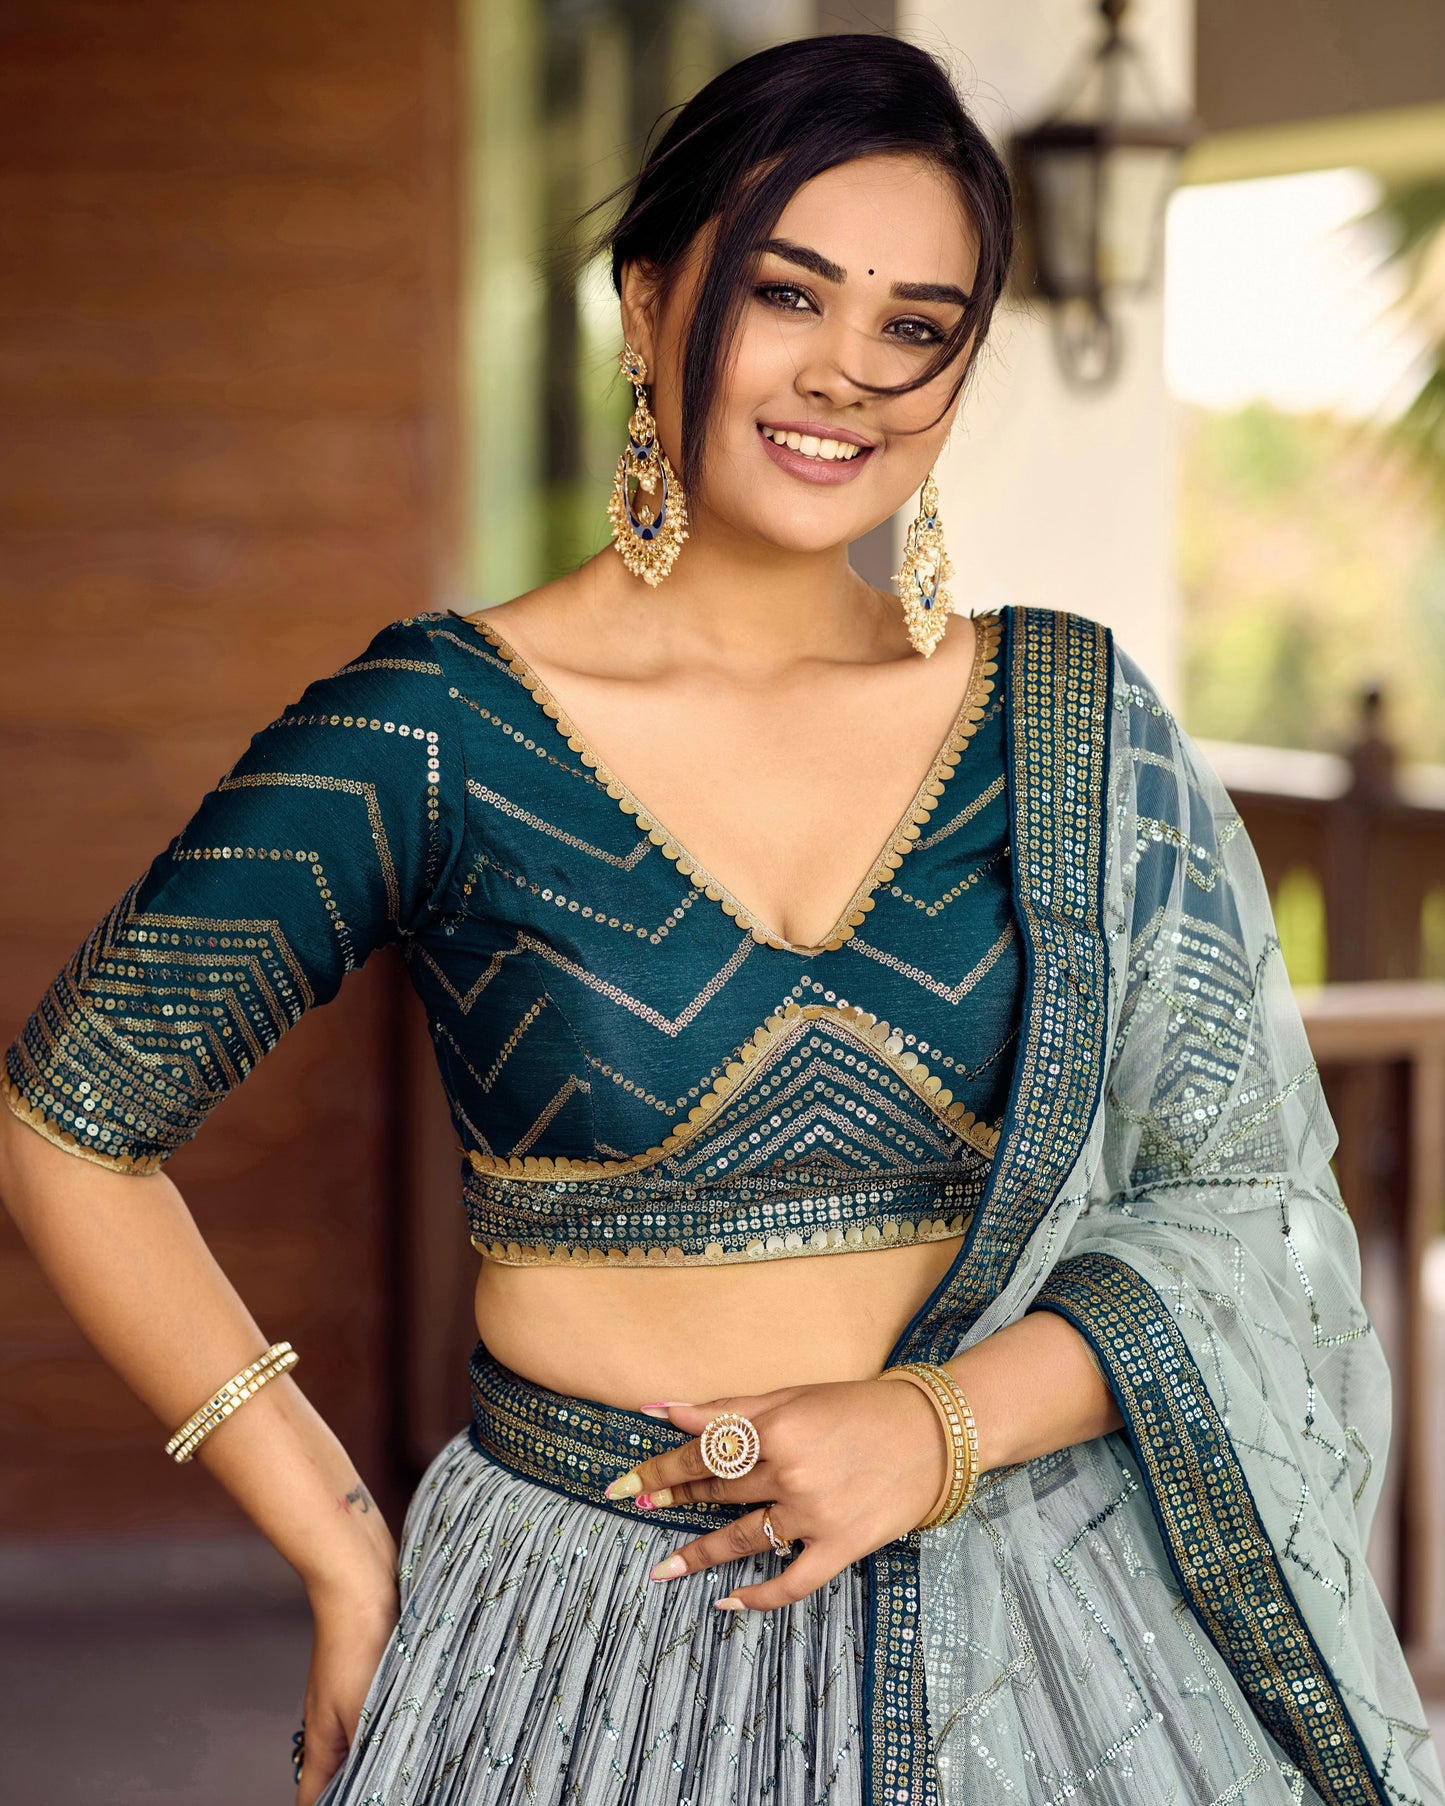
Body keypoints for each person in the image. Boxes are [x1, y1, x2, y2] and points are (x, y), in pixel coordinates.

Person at [1, 31, 1440, 1806]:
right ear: (646, 297)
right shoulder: (432, 730)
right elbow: (70, 1119)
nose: (848, 373)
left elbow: (1242, 1209)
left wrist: (940, 1425)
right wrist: (336, 1538)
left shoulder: (1068, 728)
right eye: (786, 293)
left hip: (1040, 1630)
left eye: (915, 326)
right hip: (580, 1644)